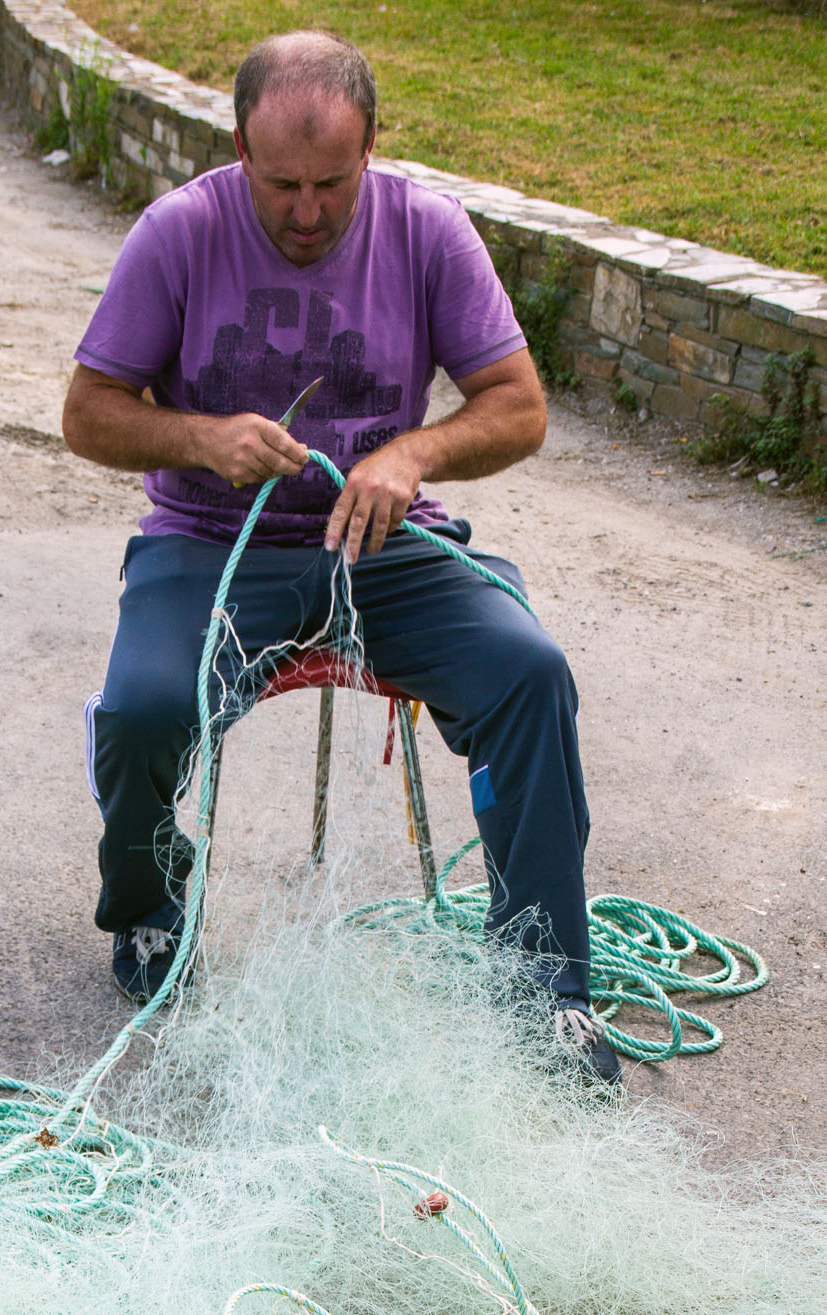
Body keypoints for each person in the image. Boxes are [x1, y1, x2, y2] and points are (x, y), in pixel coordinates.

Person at [61, 29, 621, 1086]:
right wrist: (197, 437)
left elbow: (519, 407)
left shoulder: (428, 231)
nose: (307, 213)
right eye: (280, 185)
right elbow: (86, 414)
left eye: (332, 183)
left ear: (373, 150)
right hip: (211, 543)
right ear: (236, 148)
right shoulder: (178, 232)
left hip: (384, 548)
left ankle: (544, 984)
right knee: (142, 710)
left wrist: (412, 452)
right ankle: (144, 910)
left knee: (529, 673)